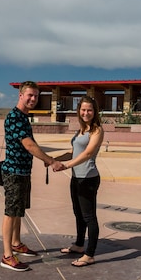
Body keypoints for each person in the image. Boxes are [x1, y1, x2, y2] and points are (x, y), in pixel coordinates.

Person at [0, 81, 64, 271]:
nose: (33, 99)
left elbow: (32, 146)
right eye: (30, 95)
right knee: (11, 212)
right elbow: (29, 145)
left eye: (36, 96)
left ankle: (16, 243)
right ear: (21, 95)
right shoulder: (14, 118)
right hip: (13, 172)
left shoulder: (24, 117)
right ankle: (7, 255)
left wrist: (46, 158)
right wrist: (51, 161)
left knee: (19, 210)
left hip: (23, 172)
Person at [54, 96, 104, 267]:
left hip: (88, 178)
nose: (86, 113)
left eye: (89, 110)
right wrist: (54, 159)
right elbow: (74, 152)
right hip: (76, 177)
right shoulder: (81, 130)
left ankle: (89, 254)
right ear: (79, 111)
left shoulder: (96, 130)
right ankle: (79, 245)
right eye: (83, 109)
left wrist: (66, 165)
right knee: (78, 213)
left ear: (94, 111)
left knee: (89, 216)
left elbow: (88, 153)